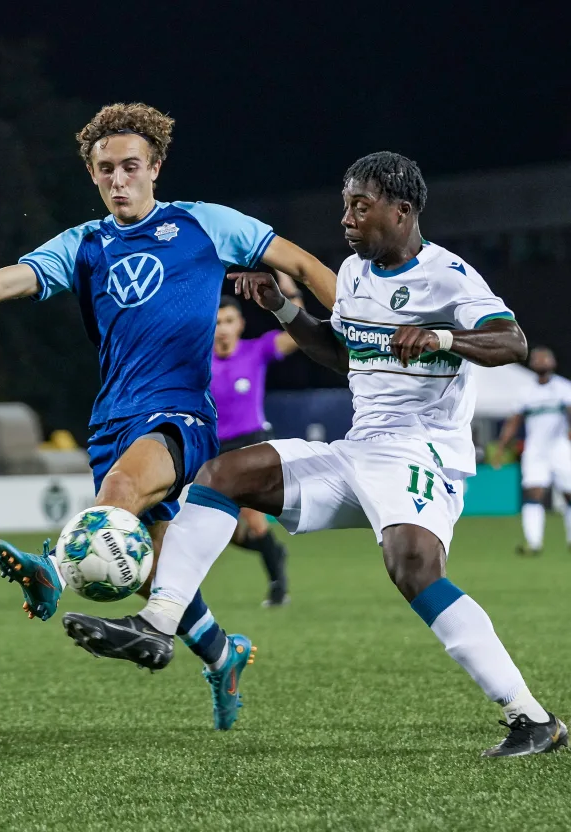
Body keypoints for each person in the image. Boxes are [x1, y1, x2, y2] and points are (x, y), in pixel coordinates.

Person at [65, 151, 566, 758]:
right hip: (360, 450)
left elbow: (509, 341)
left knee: (413, 569)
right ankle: (159, 622)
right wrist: (279, 305)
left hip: (425, 454)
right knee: (221, 475)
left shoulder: (447, 274)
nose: (347, 218)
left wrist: (438, 336)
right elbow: (341, 353)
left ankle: (532, 718)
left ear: (402, 210)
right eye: (345, 205)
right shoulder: (353, 273)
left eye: (362, 205)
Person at [0, 102, 336, 731]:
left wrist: (361, 323)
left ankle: (50, 569)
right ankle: (223, 654)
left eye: (130, 166)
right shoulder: (83, 245)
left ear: (155, 167)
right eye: (106, 170)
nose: (118, 179)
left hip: (180, 414)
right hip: (111, 422)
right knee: (148, 574)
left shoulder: (204, 224)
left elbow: (302, 265)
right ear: (94, 177)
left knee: (120, 494)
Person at [212, 280, 302, 607]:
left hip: (253, 443)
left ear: (240, 325)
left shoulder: (256, 350)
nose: (222, 329)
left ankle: (278, 588)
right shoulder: (197, 361)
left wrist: (290, 291)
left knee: (252, 515)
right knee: (222, 531)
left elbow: (298, 332)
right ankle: (273, 551)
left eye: (229, 321)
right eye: (216, 322)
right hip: (213, 451)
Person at [494, 346, 571, 555]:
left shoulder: (563, 388)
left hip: (560, 447)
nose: (541, 362)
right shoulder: (526, 392)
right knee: (533, 493)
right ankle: (534, 543)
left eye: (545, 358)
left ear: (553, 363)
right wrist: (501, 447)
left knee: (569, 494)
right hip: (535, 450)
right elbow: (514, 421)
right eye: (537, 359)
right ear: (532, 364)